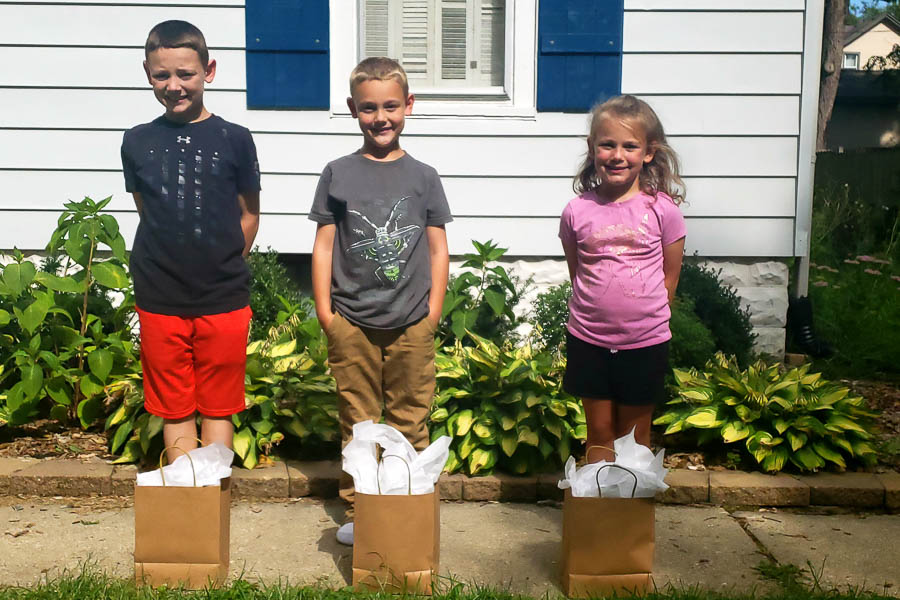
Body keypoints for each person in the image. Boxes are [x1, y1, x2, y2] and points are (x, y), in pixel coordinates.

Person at [309, 57, 452, 545]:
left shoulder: (425, 176)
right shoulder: (338, 173)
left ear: (408, 105)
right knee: (359, 422)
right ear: (353, 109)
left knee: (412, 417)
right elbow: (325, 245)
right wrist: (327, 313)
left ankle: (405, 505)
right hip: (351, 320)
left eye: (391, 106)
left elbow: (436, 246)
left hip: (413, 321)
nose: (381, 117)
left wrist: (433, 312)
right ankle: (360, 512)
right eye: (368, 108)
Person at [120, 20, 261, 458]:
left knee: (218, 407)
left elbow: (249, 214)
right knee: (174, 407)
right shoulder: (136, 141)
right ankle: (185, 502)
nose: (174, 85)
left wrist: (219, 264)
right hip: (160, 296)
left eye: (186, 74)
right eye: (162, 75)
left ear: (209, 71)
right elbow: (150, 212)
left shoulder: (236, 139)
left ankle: (210, 502)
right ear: (147, 73)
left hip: (223, 296)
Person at [559, 95, 686, 463]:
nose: (618, 155)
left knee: (635, 437)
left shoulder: (663, 210)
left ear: (648, 152)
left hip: (644, 342)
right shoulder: (576, 211)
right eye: (608, 145)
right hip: (588, 339)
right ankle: (598, 515)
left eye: (630, 146)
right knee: (598, 434)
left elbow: (669, 279)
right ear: (592, 148)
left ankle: (630, 516)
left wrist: (642, 321)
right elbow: (578, 273)